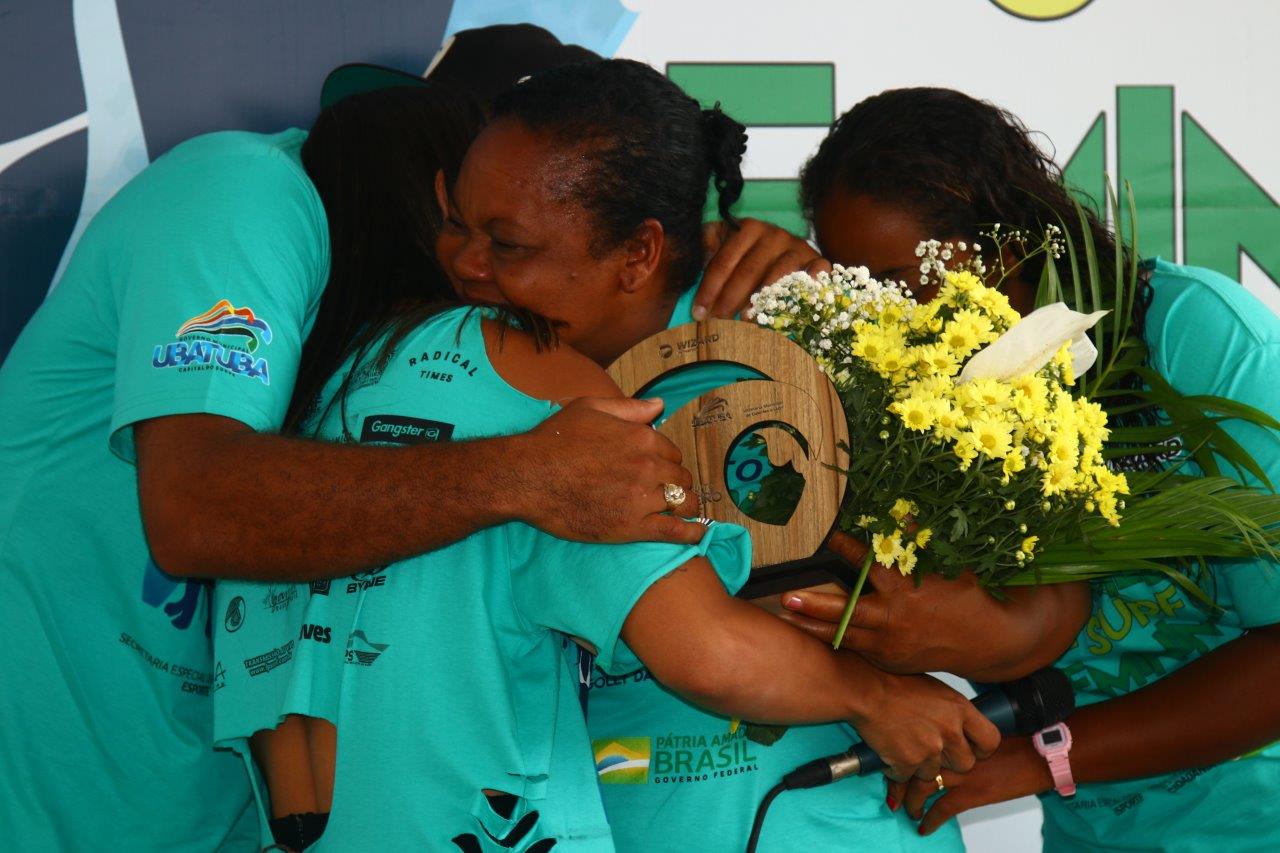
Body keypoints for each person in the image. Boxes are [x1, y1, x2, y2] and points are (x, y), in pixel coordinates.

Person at [0, 28, 824, 852]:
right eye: (466, 209)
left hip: (221, 816)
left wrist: (808, 300)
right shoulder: (245, 195)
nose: (473, 257)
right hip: (55, 797)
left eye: (513, 232)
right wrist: (527, 471)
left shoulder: (424, 344)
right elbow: (192, 509)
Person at [214, 60, 1000, 851]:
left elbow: (1011, 594)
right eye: (454, 223)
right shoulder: (518, 376)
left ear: (639, 254)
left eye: (507, 242)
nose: (467, 265)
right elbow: (704, 648)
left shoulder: (317, 402)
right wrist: (873, 695)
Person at [786, 86, 1280, 851]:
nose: (889, 321)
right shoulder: (896, 401)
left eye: (907, 286)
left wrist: (1035, 759)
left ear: (1009, 248)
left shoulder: (1193, 336)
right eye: (860, 291)